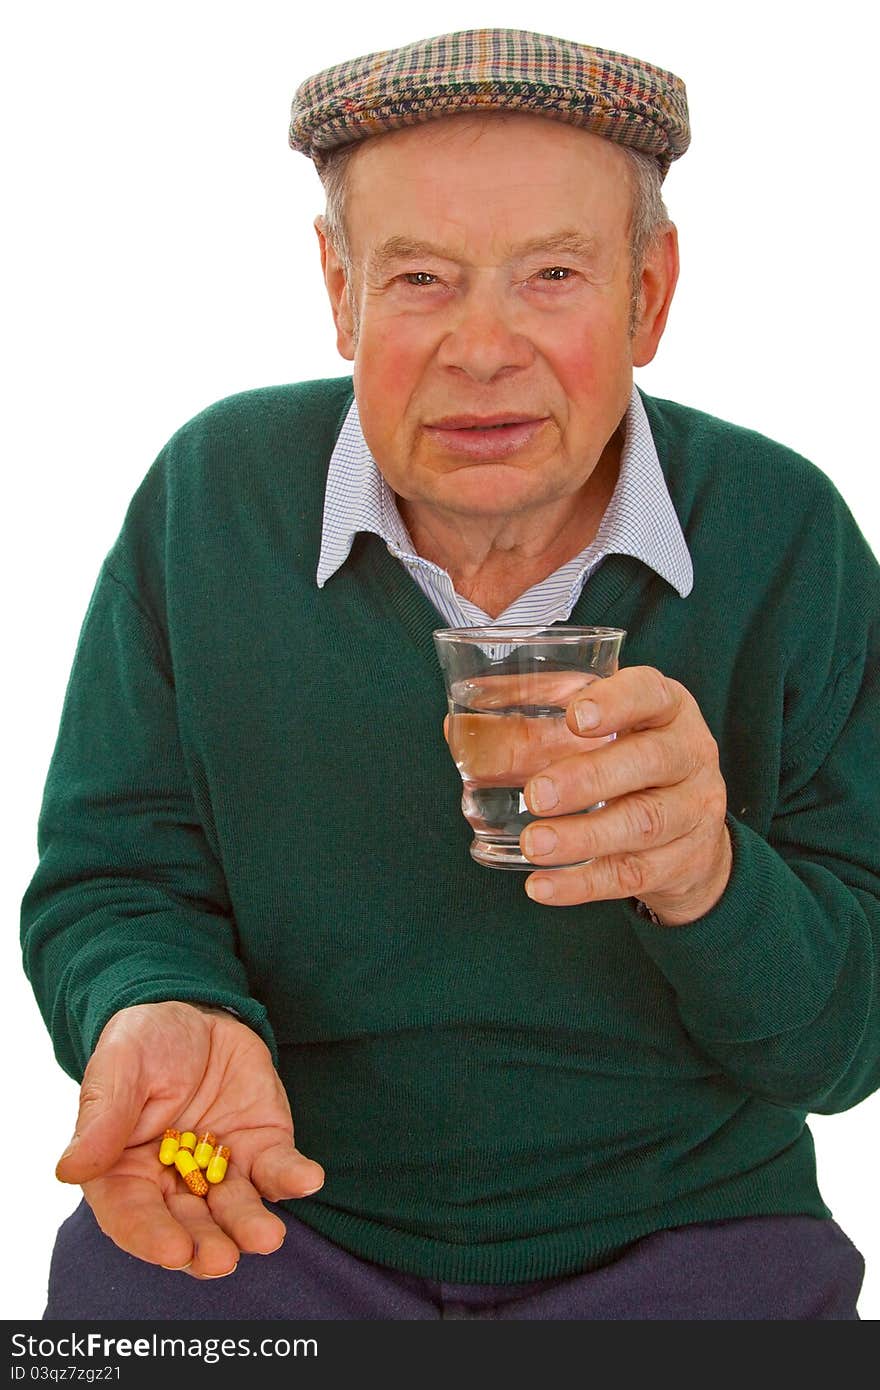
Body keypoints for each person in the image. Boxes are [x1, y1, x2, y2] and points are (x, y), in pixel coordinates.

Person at [20, 27, 879, 1321]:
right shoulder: (213, 496)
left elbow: (846, 1043)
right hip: (269, 1212)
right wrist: (154, 1000)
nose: (485, 346)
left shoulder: (783, 531)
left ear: (650, 294)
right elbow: (111, 875)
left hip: (690, 1229)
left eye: (551, 274)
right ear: (339, 289)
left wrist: (710, 875)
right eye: (421, 277)